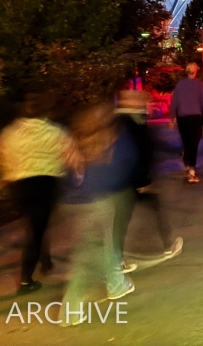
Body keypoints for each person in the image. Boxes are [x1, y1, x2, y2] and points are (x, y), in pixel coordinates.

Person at [0, 92, 75, 294]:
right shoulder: (56, 131)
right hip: (46, 183)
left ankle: (45, 261)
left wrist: (0, 180)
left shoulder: (9, 133)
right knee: (36, 230)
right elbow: (70, 155)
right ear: (44, 112)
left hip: (20, 185)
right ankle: (26, 280)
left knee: (35, 224)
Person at [62, 102, 138, 322]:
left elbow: (66, 173)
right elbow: (119, 168)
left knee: (97, 246)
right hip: (98, 200)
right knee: (88, 254)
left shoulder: (74, 142)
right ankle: (72, 311)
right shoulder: (105, 141)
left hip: (74, 203)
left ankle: (116, 284)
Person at [114, 90, 183, 267]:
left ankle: (117, 260)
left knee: (123, 219)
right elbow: (140, 150)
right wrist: (143, 181)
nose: (144, 103)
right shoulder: (129, 123)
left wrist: (174, 150)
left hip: (128, 180)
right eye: (139, 100)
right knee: (126, 218)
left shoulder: (131, 120)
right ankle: (167, 245)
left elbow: (150, 144)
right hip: (132, 180)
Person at [168, 63, 203, 183]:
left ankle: (187, 162)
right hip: (196, 118)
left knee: (186, 142)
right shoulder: (199, 86)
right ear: (196, 72)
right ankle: (192, 170)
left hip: (183, 117)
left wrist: (173, 117)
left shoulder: (180, 85)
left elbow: (174, 101)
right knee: (194, 144)